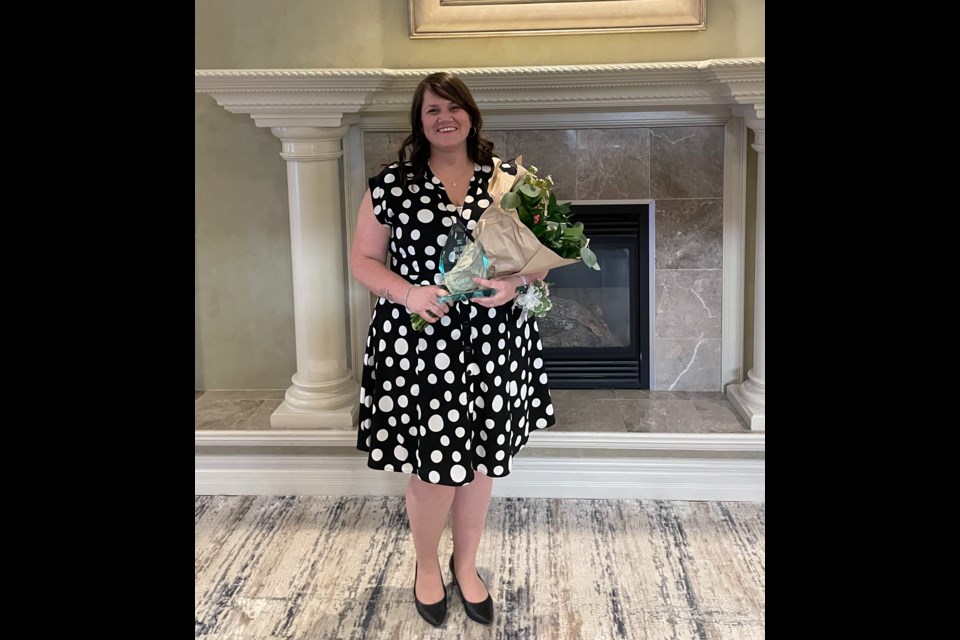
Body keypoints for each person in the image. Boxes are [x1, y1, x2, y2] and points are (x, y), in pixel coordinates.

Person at [349, 71, 556, 628]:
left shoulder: (510, 182)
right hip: (421, 345)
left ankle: (466, 566)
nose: (444, 117)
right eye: (431, 109)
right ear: (420, 122)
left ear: (471, 114)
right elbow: (363, 261)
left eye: (453, 106)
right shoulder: (391, 185)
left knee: (482, 461)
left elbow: (542, 254)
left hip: (494, 342)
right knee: (435, 468)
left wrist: (516, 285)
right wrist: (410, 292)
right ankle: (425, 567)